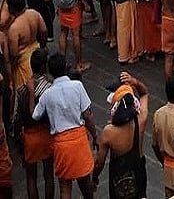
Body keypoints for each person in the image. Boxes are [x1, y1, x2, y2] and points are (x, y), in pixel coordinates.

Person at [31, 53, 98, 199]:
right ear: (66, 67)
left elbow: (35, 115)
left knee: (64, 187)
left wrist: (31, 94)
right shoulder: (77, 86)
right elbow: (87, 115)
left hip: (61, 143)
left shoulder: (47, 95)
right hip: (79, 140)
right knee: (86, 181)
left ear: (50, 72)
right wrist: (94, 135)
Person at [93, 72, 148, 199]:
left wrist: (94, 178)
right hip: (139, 173)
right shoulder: (141, 119)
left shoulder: (108, 132)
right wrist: (136, 82)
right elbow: (144, 93)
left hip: (119, 179)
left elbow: (99, 163)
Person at [20, 48, 54, 199]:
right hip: (45, 133)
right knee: (48, 175)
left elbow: (16, 118)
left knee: (31, 177)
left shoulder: (22, 89)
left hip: (29, 136)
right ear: (43, 67)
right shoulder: (48, 87)